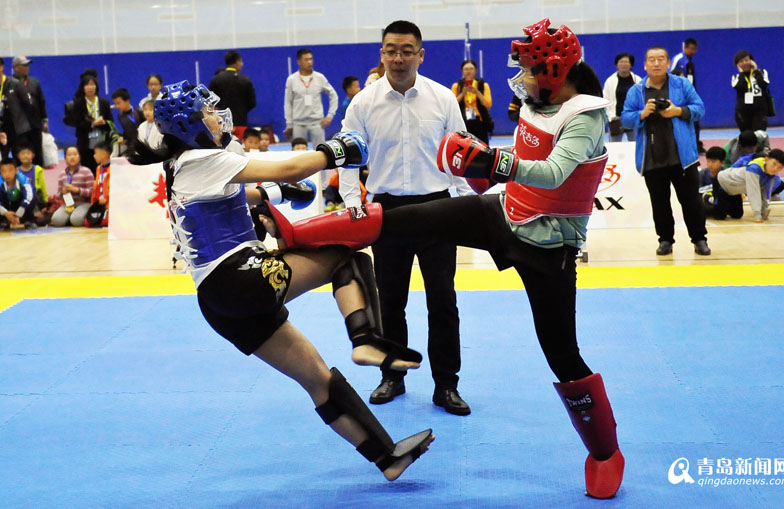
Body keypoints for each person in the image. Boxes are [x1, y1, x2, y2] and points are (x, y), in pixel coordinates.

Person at [278, 18, 624, 499]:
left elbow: (553, 172)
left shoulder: (586, 115)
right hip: (504, 212)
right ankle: (296, 232)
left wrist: (489, 162)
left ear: (553, 71)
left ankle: (605, 452)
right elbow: (519, 159)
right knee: (403, 221)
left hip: (549, 247)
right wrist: (484, 167)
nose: (522, 78)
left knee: (561, 353)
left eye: (529, 69)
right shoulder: (537, 102)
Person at [127, 79, 433, 481]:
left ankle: (387, 459)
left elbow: (235, 195)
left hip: (218, 302)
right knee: (345, 255)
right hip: (239, 277)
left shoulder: (181, 165)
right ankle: (365, 340)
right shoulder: (203, 158)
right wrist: (334, 151)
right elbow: (291, 165)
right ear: (190, 125)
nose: (217, 117)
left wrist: (276, 193)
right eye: (207, 113)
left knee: (317, 378)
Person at [339, 20, 474, 416]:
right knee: (390, 302)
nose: (398, 58)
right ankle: (392, 376)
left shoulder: (442, 98)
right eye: (391, 50)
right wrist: (352, 202)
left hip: (437, 208)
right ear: (381, 53)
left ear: (420, 55)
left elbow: (461, 154)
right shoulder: (363, 103)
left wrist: (467, 205)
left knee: (443, 302)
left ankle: (446, 385)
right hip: (388, 212)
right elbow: (346, 157)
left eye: (406, 51)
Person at [621, 46, 709, 256]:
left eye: (661, 59)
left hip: (683, 158)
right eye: (651, 60)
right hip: (652, 158)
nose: (656, 63)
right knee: (659, 204)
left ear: (668, 63)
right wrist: (642, 114)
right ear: (645, 65)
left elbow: (700, 109)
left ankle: (699, 239)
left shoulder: (682, 84)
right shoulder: (636, 91)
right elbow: (625, 118)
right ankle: (665, 240)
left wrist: (678, 111)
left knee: (692, 202)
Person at [283, 48, 338, 148]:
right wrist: (289, 124)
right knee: (298, 152)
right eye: (306, 59)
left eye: (311, 59)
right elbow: (288, 103)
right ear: (299, 62)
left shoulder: (319, 77)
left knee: (321, 150)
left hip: (317, 123)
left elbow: (333, 95)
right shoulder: (291, 79)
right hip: (298, 123)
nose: (309, 62)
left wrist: (330, 115)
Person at [716, 149, 784, 222]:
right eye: (774, 164)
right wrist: (757, 215)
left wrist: (764, 212)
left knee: (737, 215)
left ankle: (723, 205)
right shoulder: (754, 168)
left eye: (780, 167)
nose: (775, 169)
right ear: (767, 160)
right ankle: (710, 200)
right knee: (720, 216)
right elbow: (753, 192)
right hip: (721, 183)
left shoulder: (770, 174)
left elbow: (766, 192)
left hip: (734, 191)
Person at [65, 73, 115, 172]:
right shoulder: (78, 103)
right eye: (87, 85)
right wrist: (93, 124)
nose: (90, 87)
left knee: (103, 169)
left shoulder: (104, 103)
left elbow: (111, 123)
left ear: (96, 86)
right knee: (87, 169)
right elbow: (77, 123)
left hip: (101, 142)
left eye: (92, 84)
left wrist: (103, 122)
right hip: (85, 142)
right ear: (83, 87)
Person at [209, 50, 257, 141]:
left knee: (222, 147)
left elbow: (210, 102)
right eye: (241, 61)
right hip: (240, 122)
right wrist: (241, 111)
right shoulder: (245, 80)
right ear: (237, 62)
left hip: (220, 123)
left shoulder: (216, 79)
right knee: (239, 146)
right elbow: (252, 103)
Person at [11, 56, 48, 167]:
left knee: (37, 155)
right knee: (20, 155)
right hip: (18, 128)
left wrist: (45, 120)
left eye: (27, 65)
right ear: (16, 67)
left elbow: (41, 102)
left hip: (35, 126)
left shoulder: (34, 82)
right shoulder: (10, 83)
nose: (27, 67)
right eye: (24, 65)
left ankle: (38, 176)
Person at [670, 38, 703, 153]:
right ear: (685, 48)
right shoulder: (678, 59)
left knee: (695, 120)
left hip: (690, 96)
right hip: (680, 98)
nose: (693, 51)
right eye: (691, 49)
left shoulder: (690, 62)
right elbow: (669, 74)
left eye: (695, 49)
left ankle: (696, 145)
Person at [51, 146, 94, 227]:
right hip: (68, 204)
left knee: (76, 221)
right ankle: (70, 218)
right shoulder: (62, 174)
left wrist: (77, 190)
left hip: (84, 203)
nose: (72, 157)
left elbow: (92, 192)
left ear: (79, 157)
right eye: (69, 155)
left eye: (75, 154)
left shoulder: (86, 171)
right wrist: (63, 192)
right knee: (56, 220)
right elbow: (58, 195)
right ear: (65, 158)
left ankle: (73, 217)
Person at [452, 59, 493, 143]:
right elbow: (452, 105)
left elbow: (488, 104)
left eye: (471, 69)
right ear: (462, 71)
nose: (468, 71)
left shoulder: (483, 85)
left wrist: (477, 92)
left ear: (476, 70)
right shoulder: (457, 86)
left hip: (480, 122)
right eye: (466, 69)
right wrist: (462, 94)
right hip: (463, 121)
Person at [602, 52, 641, 142]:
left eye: (626, 62)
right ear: (616, 64)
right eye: (621, 62)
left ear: (631, 65)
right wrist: (611, 116)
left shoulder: (638, 80)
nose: (624, 64)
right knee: (614, 146)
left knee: (635, 144)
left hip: (632, 118)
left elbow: (641, 99)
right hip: (616, 119)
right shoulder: (610, 81)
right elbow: (606, 100)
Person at [732, 50, 773, 132]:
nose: (744, 63)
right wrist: (741, 74)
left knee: (759, 134)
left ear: (752, 61)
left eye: (746, 60)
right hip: (743, 111)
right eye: (741, 61)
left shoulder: (762, 72)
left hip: (760, 110)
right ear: (737, 64)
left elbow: (763, 84)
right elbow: (739, 87)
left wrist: (756, 70)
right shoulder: (736, 77)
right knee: (746, 135)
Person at [0, 58, 30, 162]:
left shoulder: (14, 84)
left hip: (16, 130)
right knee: (3, 161)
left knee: (19, 160)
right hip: (1, 130)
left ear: (2, 67)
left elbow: (28, 105)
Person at [16, 146, 50, 226]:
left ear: (33, 155)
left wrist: (46, 203)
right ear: (18, 156)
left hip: (35, 201)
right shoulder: (16, 171)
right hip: (21, 201)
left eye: (28, 153)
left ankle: (31, 218)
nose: (25, 156)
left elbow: (43, 187)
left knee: (41, 219)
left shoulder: (37, 169)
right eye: (23, 154)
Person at [0, 158, 35, 229]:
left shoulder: (22, 179)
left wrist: (19, 212)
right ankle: (4, 221)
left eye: (10, 170)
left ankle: (29, 220)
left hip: (21, 204)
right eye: (4, 171)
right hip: (7, 205)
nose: (7, 174)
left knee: (33, 195)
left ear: (16, 170)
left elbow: (29, 196)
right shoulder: (0, 181)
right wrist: (5, 212)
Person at [85, 141, 112, 227]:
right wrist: (94, 203)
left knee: (105, 222)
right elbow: (97, 187)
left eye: (96, 153)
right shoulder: (98, 169)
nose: (94, 156)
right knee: (88, 222)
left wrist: (107, 198)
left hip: (109, 203)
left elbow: (115, 188)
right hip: (99, 203)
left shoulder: (114, 168)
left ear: (104, 155)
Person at [112, 88, 144, 158]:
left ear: (127, 100)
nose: (117, 106)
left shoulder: (139, 112)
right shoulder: (120, 116)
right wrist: (123, 138)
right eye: (115, 104)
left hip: (143, 146)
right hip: (130, 147)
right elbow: (127, 131)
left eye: (119, 103)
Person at [699, 146, 729, 218]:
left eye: (713, 161)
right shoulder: (702, 173)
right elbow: (698, 190)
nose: (710, 164)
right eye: (708, 161)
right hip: (707, 201)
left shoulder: (727, 173)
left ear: (722, 162)